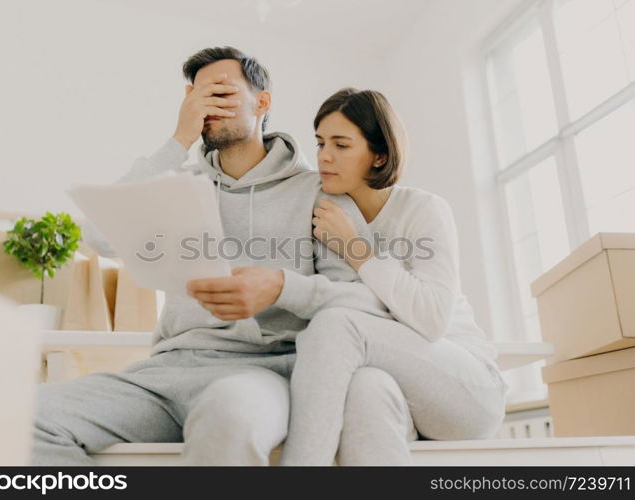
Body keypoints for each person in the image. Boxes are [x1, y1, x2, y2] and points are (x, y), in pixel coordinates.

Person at [31, 47, 404, 466]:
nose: (206, 108)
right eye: (197, 97)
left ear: (262, 102)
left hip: (262, 372)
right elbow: (97, 235)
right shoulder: (178, 182)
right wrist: (178, 141)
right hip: (165, 373)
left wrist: (280, 289)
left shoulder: (320, 191)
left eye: (221, 95)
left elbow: (359, 301)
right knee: (26, 420)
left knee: (230, 416)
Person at [278, 88, 510, 465]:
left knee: (337, 324)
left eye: (341, 145)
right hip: (398, 389)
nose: (324, 157)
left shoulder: (424, 209)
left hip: (469, 389)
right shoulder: (329, 214)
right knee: (365, 387)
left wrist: (357, 251)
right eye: (320, 143)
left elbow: (432, 318)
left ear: (379, 156)